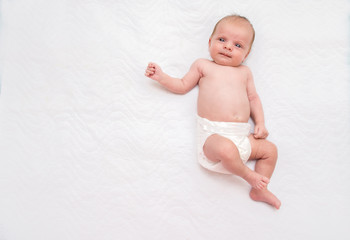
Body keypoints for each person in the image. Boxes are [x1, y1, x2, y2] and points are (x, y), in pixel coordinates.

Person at [145, 14, 281, 209]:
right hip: (213, 137)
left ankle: (260, 190)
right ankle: (248, 175)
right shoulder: (203, 66)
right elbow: (182, 85)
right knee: (226, 149)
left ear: (247, 54)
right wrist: (162, 77)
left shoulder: (245, 73)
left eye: (238, 45)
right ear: (210, 41)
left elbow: (253, 99)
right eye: (222, 40)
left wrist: (260, 123)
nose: (228, 47)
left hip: (242, 136)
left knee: (270, 150)